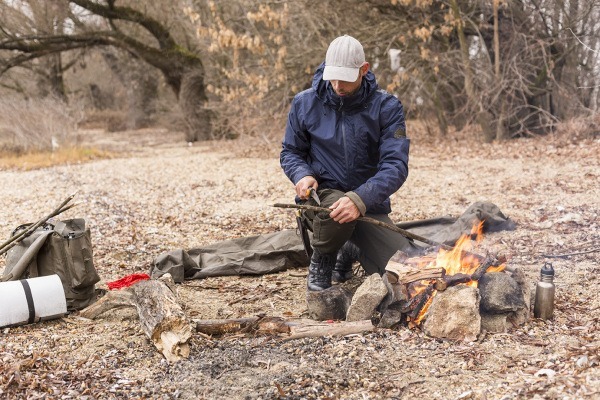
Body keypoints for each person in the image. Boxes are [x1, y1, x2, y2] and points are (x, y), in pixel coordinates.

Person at [280, 34, 416, 292]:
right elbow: (290, 152)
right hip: (323, 199)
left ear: (363, 70)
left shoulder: (387, 106)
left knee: (406, 272)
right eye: (333, 77)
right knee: (335, 211)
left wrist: (360, 199)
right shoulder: (304, 103)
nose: (338, 85)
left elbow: (395, 165)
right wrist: (301, 174)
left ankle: (351, 248)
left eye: (345, 78)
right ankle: (323, 257)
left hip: (368, 203)